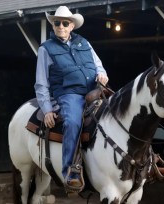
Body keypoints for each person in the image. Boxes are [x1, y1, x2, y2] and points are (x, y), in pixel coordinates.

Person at [34, 6, 109, 191]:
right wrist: (47, 110)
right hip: (69, 95)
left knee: (116, 112)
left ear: (72, 26)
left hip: (94, 90)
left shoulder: (85, 43)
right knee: (73, 122)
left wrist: (102, 75)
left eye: (64, 23)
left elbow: (99, 66)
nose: (60, 26)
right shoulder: (46, 49)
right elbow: (41, 83)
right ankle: (70, 171)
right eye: (56, 22)